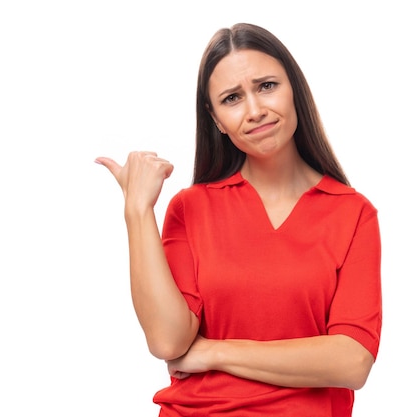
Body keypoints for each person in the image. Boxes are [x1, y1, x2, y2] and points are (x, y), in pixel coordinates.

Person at [95, 22, 382, 417]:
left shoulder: (352, 213)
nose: (255, 110)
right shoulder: (190, 208)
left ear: (294, 88)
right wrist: (138, 210)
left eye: (266, 86)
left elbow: (352, 362)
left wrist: (213, 352)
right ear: (215, 119)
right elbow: (167, 342)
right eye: (232, 98)